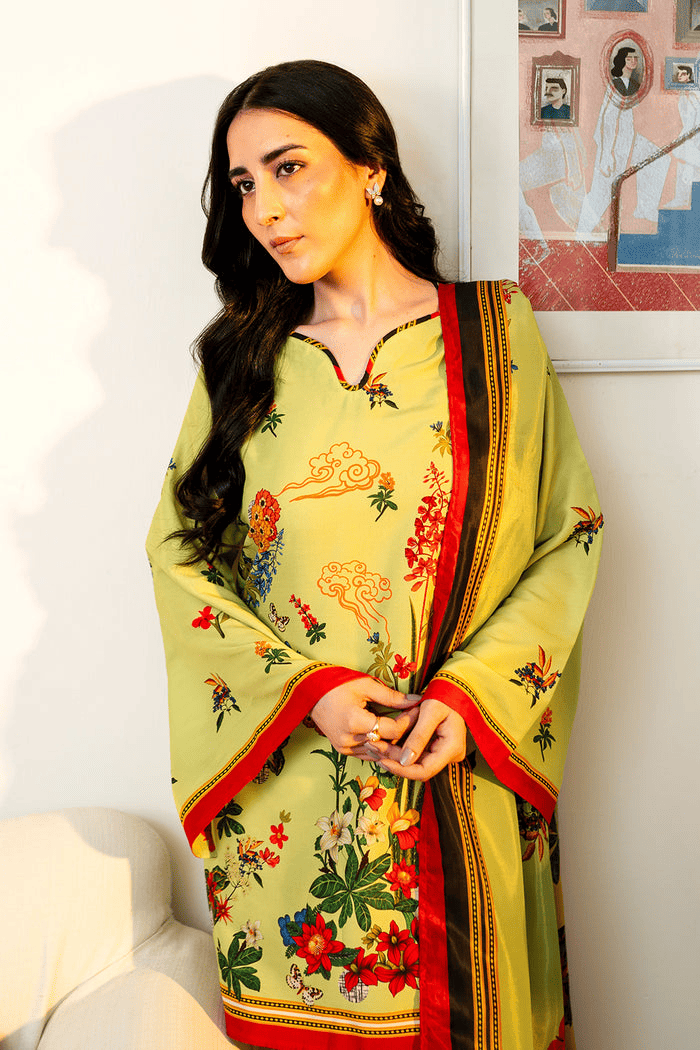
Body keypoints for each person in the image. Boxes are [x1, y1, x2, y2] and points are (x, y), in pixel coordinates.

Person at [147, 60, 603, 1050]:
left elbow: (567, 531)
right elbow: (182, 558)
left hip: (456, 761)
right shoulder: (239, 357)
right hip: (291, 788)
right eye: (243, 185)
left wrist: (466, 696)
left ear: (372, 169)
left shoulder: (490, 335)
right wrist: (308, 689)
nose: (265, 207)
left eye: (288, 167)